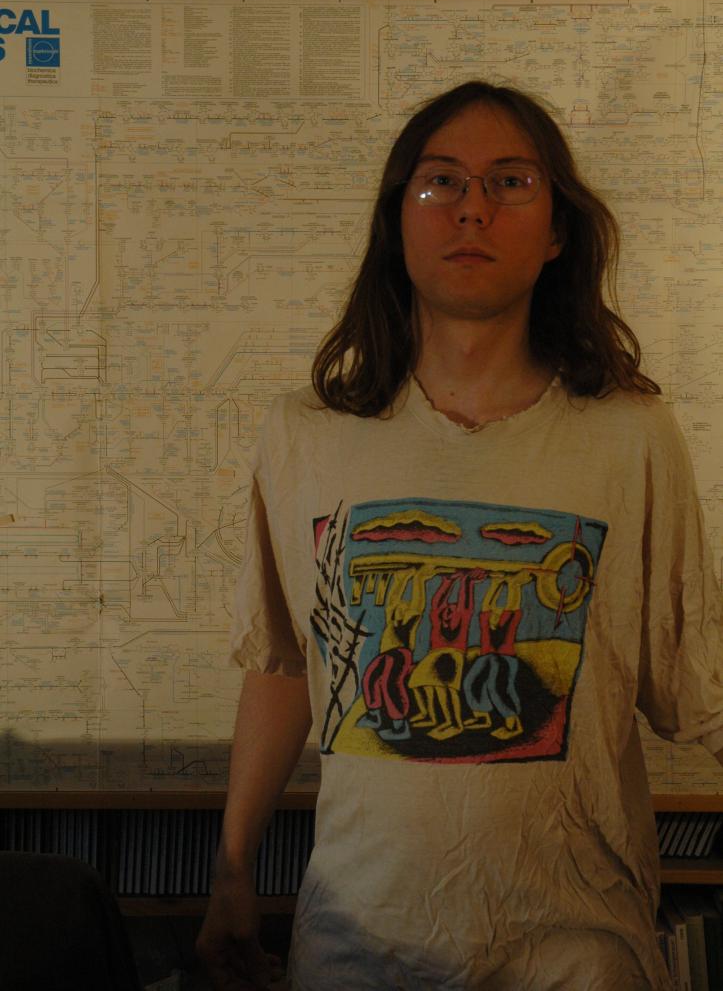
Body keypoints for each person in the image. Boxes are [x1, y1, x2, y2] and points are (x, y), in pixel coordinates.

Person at [197, 81, 723, 991]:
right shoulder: (305, 435)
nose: (472, 207)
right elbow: (287, 662)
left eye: (510, 181)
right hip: (360, 942)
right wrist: (232, 867)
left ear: (556, 230)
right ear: (395, 221)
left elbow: (697, 681)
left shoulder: (630, 435)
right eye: (439, 180)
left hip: (577, 943)